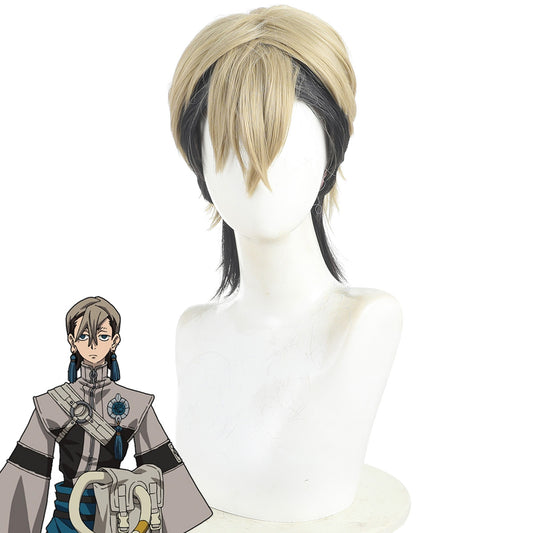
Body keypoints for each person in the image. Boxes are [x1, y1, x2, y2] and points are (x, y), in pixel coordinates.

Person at [0, 296, 212, 532]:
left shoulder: (137, 404)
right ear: (72, 341)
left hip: (118, 517)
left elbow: (163, 470)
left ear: (114, 341)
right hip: (66, 518)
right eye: (84, 336)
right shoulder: (50, 404)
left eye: (102, 336)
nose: (93, 346)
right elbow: (26, 475)